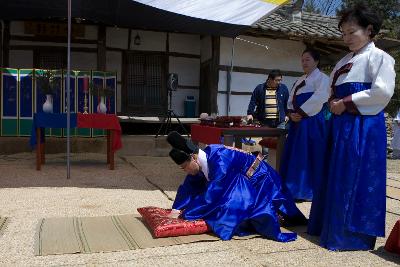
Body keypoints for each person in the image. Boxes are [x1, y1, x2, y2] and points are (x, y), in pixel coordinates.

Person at [308, 3, 396, 251]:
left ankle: (349, 236)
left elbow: (382, 92)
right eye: (343, 33)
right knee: (334, 175)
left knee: (354, 176)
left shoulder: (380, 58)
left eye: (352, 32)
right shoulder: (344, 61)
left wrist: (347, 102)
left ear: (369, 30)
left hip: (362, 127)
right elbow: (330, 90)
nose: (346, 38)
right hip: (339, 126)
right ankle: (327, 226)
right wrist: (332, 102)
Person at [167, 131, 307, 242]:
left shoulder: (219, 161)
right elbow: (189, 185)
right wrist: (177, 208)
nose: (185, 171)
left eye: (185, 167)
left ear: (193, 157)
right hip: (247, 179)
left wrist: (187, 213)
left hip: (261, 179)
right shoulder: (205, 155)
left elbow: (212, 195)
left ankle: (277, 216)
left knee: (230, 208)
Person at [280, 48, 330, 201]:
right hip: (297, 122)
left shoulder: (322, 78)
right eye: (302, 60)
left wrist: (301, 112)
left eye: (308, 59)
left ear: (316, 61)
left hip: (313, 121)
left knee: (312, 153)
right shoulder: (300, 80)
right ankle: (293, 187)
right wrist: (290, 114)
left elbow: (321, 97)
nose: (304, 63)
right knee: (297, 153)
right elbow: (290, 100)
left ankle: (310, 189)